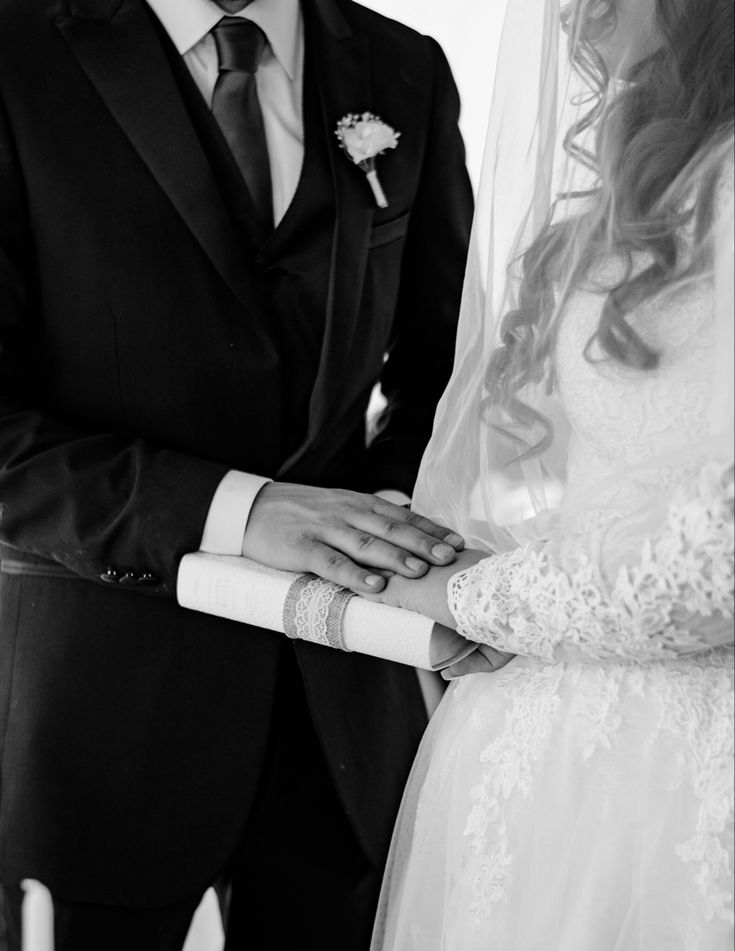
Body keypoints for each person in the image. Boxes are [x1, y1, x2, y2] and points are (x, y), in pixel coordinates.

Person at [0, 0, 474, 948]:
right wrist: (242, 511)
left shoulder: (402, 68)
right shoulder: (14, 54)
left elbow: (448, 376)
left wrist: (383, 517)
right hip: (89, 718)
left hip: (342, 719)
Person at [368, 0, 735, 947]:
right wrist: (458, 549)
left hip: (688, 767)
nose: (574, 15)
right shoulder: (663, 172)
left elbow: (715, 561)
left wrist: (473, 594)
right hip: (543, 749)